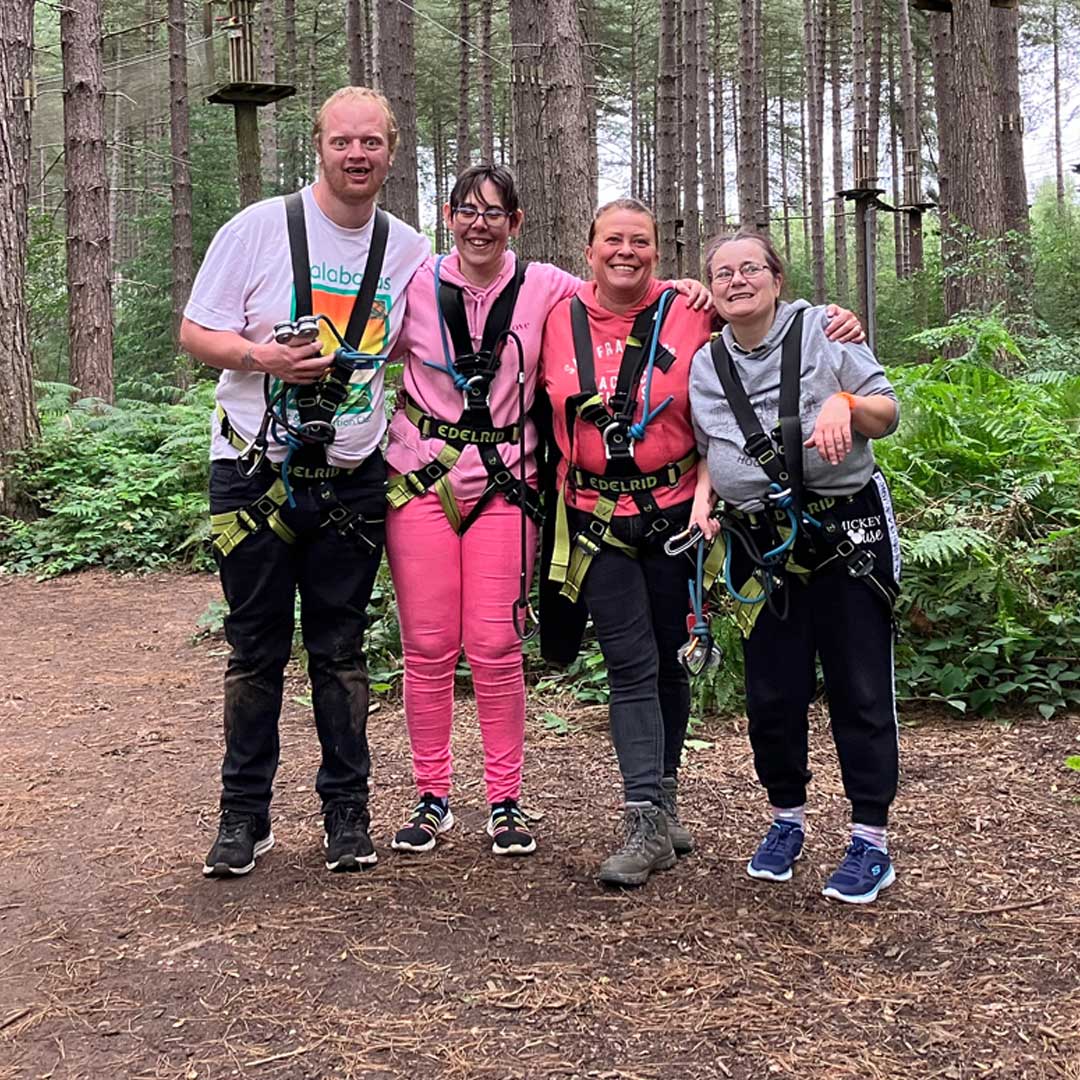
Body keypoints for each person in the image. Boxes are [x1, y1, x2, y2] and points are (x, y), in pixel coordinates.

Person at [384, 168, 711, 857]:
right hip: (423, 479)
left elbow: (630, 295)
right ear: (448, 216)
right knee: (428, 647)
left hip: (509, 485)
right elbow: (354, 349)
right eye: (468, 211)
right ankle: (432, 795)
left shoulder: (549, 290)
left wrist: (691, 288)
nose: (481, 223)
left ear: (518, 220)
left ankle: (506, 800)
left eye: (495, 211)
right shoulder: (409, 282)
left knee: (498, 649)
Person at [540, 201, 866, 886]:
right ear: (588, 248)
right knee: (629, 663)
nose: (625, 252)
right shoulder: (555, 317)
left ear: (659, 253)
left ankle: (663, 800)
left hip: (677, 516)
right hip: (594, 515)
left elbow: (768, 321)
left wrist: (840, 323)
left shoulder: (693, 309)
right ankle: (644, 820)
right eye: (612, 241)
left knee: (669, 661)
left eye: (641, 241)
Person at [180, 87, 429, 877]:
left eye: (372, 144)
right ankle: (242, 819)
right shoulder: (258, 229)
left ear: (391, 151)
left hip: (353, 478)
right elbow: (195, 331)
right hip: (253, 472)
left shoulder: (408, 250)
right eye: (342, 142)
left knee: (342, 647)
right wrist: (263, 358)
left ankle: (346, 815)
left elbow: (483, 311)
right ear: (317, 147)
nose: (357, 156)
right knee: (254, 649)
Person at [688, 229, 901, 904]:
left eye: (751, 268)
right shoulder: (704, 365)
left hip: (846, 531)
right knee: (772, 696)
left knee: (859, 686)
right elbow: (707, 450)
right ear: (712, 291)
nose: (737, 280)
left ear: (778, 278)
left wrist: (843, 403)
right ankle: (787, 819)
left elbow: (887, 413)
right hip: (759, 544)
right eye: (723, 273)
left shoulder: (826, 331)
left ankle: (870, 838)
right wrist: (703, 500)